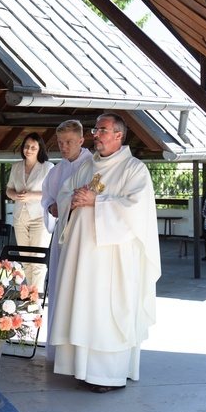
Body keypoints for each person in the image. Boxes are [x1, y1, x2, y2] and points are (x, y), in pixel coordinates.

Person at [49, 113, 160, 393]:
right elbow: (64, 195)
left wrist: (97, 200)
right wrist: (71, 201)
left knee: (106, 311)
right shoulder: (86, 168)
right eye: (95, 129)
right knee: (84, 307)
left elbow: (136, 210)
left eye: (102, 130)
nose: (96, 134)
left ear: (118, 136)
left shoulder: (134, 169)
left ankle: (107, 375)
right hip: (82, 258)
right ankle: (81, 368)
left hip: (112, 260)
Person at [40, 119, 92, 360]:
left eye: (69, 141)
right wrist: (52, 207)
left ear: (81, 140)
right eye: (60, 142)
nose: (64, 146)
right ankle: (58, 350)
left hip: (82, 238)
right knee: (58, 289)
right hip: (61, 237)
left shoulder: (92, 166)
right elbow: (47, 199)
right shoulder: (56, 170)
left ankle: (77, 352)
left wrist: (63, 205)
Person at [6, 133, 54, 291]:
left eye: (33, 147)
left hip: (39, 216)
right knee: (26, 259)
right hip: (20, 216)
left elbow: (53, 193)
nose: (29, 150)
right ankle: (30, 294)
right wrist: (15, 196)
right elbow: (9, 190)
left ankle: (36, 299)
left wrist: (31, 196)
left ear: (39, 149)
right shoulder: (16, 167)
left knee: (38, 258)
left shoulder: (48, 167)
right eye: (27, 146)